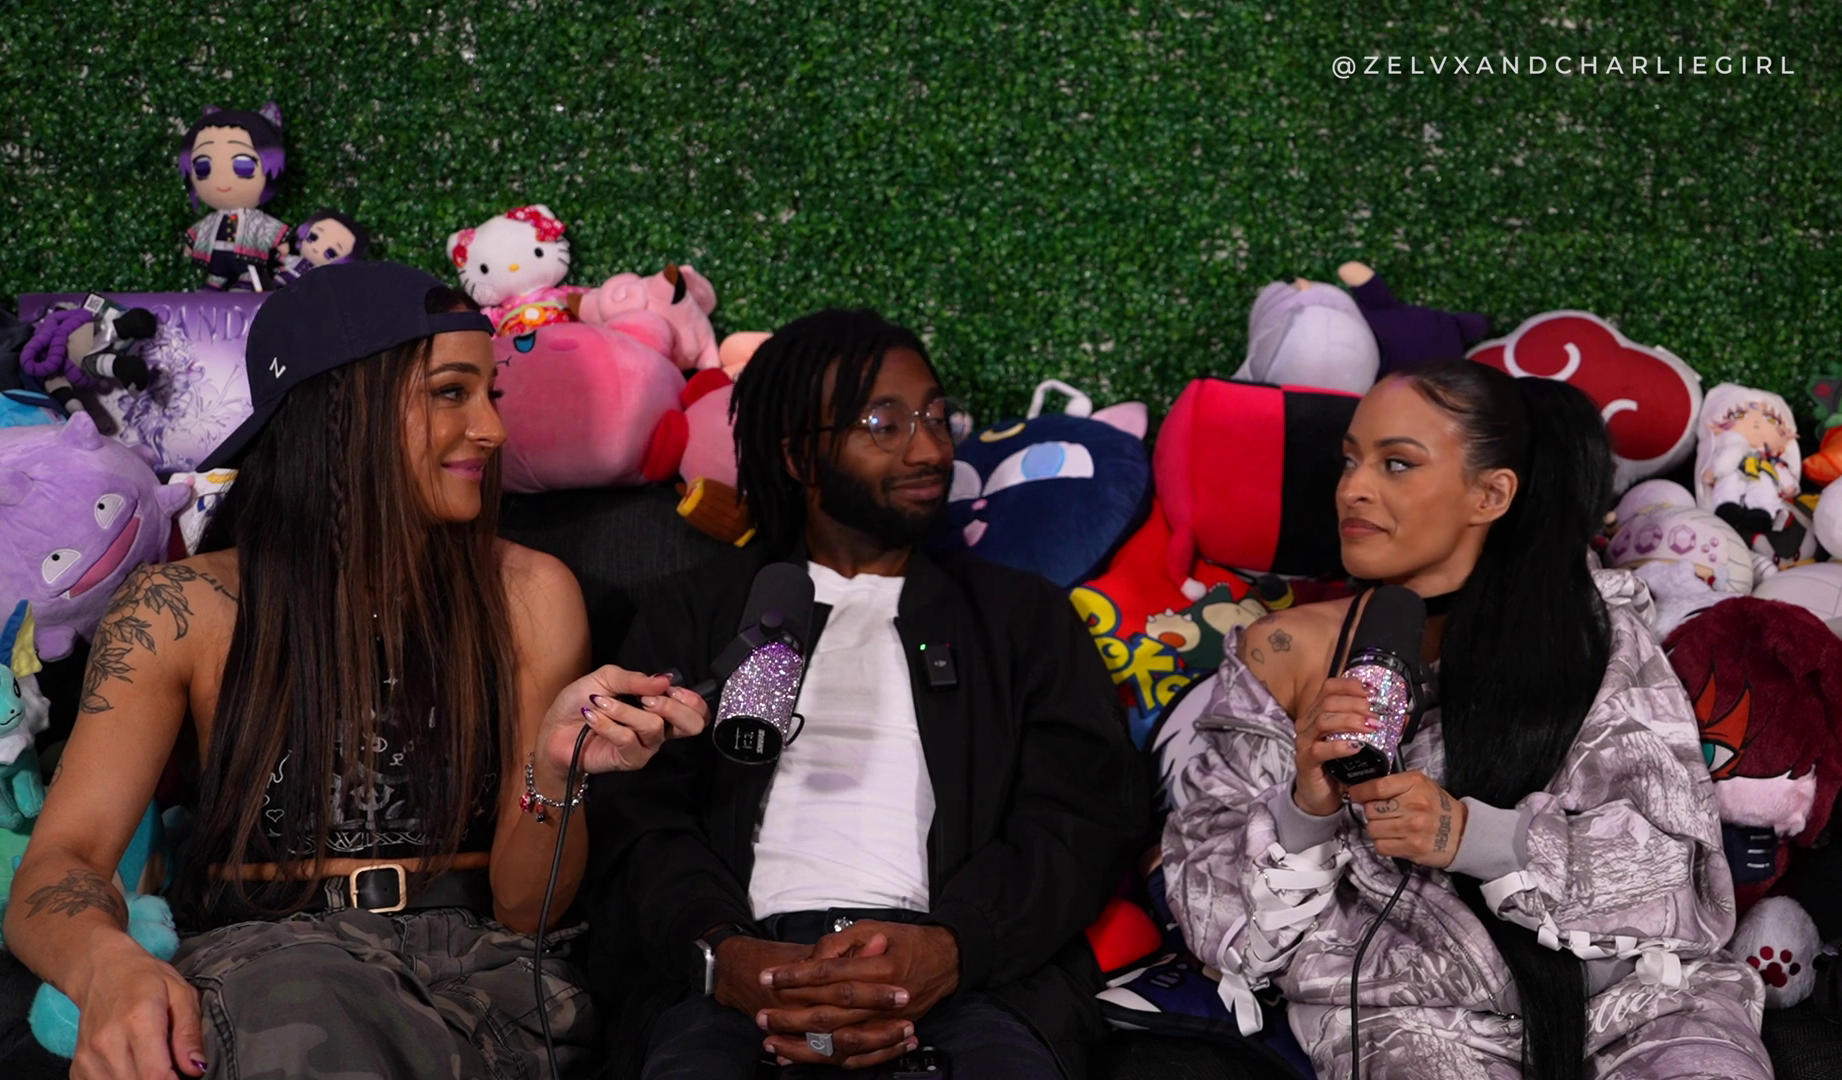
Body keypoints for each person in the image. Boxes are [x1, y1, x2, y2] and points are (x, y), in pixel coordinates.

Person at [3, 261, 709, 1080]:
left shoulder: (531, 594)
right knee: (305, 1000)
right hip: (265, 970)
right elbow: (62, 864)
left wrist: (556, 771)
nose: (491, 429)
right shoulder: (178, 609)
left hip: (482, 980)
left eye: (490, 394)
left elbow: (527, 910)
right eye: (451, 392)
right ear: (338, 409)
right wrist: (105, 965)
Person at [1161, 362, 1769, 1079]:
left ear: (1490, 493)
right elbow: (1209, 914)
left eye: (1396, 464)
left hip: (1636, 1000)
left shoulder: (1594, 632)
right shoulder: (1284, 651)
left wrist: (1470, 836)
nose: (1353, 488)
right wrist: (1305, 809)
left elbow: (1677, 879)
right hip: (1407, 1020)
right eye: (1350, 461)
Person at [586, 309, 1149, 1080]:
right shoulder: (696, 611)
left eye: (936, 417)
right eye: (884, 424)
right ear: (799, 456)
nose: (929, 448)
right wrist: (722, 952)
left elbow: (1082, 813)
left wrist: (954, 947)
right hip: (737, 980)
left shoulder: (1020, 616)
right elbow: (637, 817)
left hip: (968, 980)